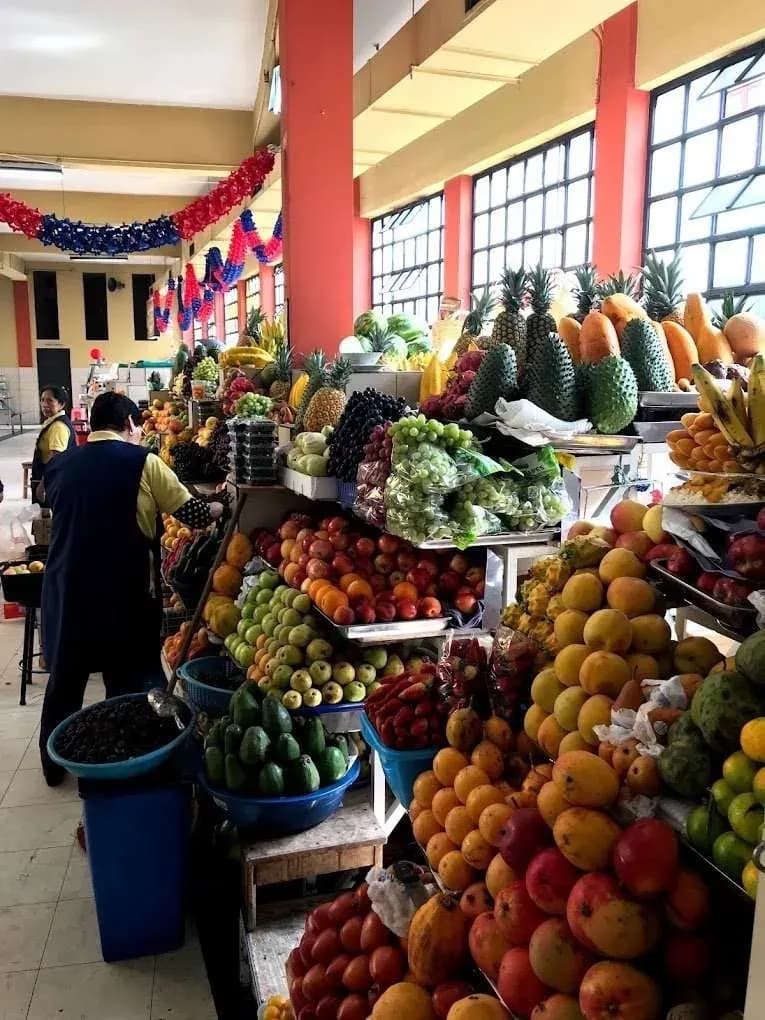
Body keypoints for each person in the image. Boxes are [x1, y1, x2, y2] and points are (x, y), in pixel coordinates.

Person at [39, 392, 225, 785]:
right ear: (128, 425)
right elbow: (190, 513)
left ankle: (52, 765)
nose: (140, 433)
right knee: (124, 682)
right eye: (138, 427)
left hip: (66, 585)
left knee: (66, 678)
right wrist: (219, 506)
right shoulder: (144, 462)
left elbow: (57, 504)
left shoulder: (60, 464)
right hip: (122, 591)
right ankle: (117, 762)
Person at [31, 385, 76, 504]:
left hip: (54, 482)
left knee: (50, 517)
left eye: (50, 401)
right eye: (42, 400)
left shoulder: (58, 426)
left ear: (61, 404)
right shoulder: (52, 421)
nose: (44, 404)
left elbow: (57, 458)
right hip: (50, 480)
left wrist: (43, 483)